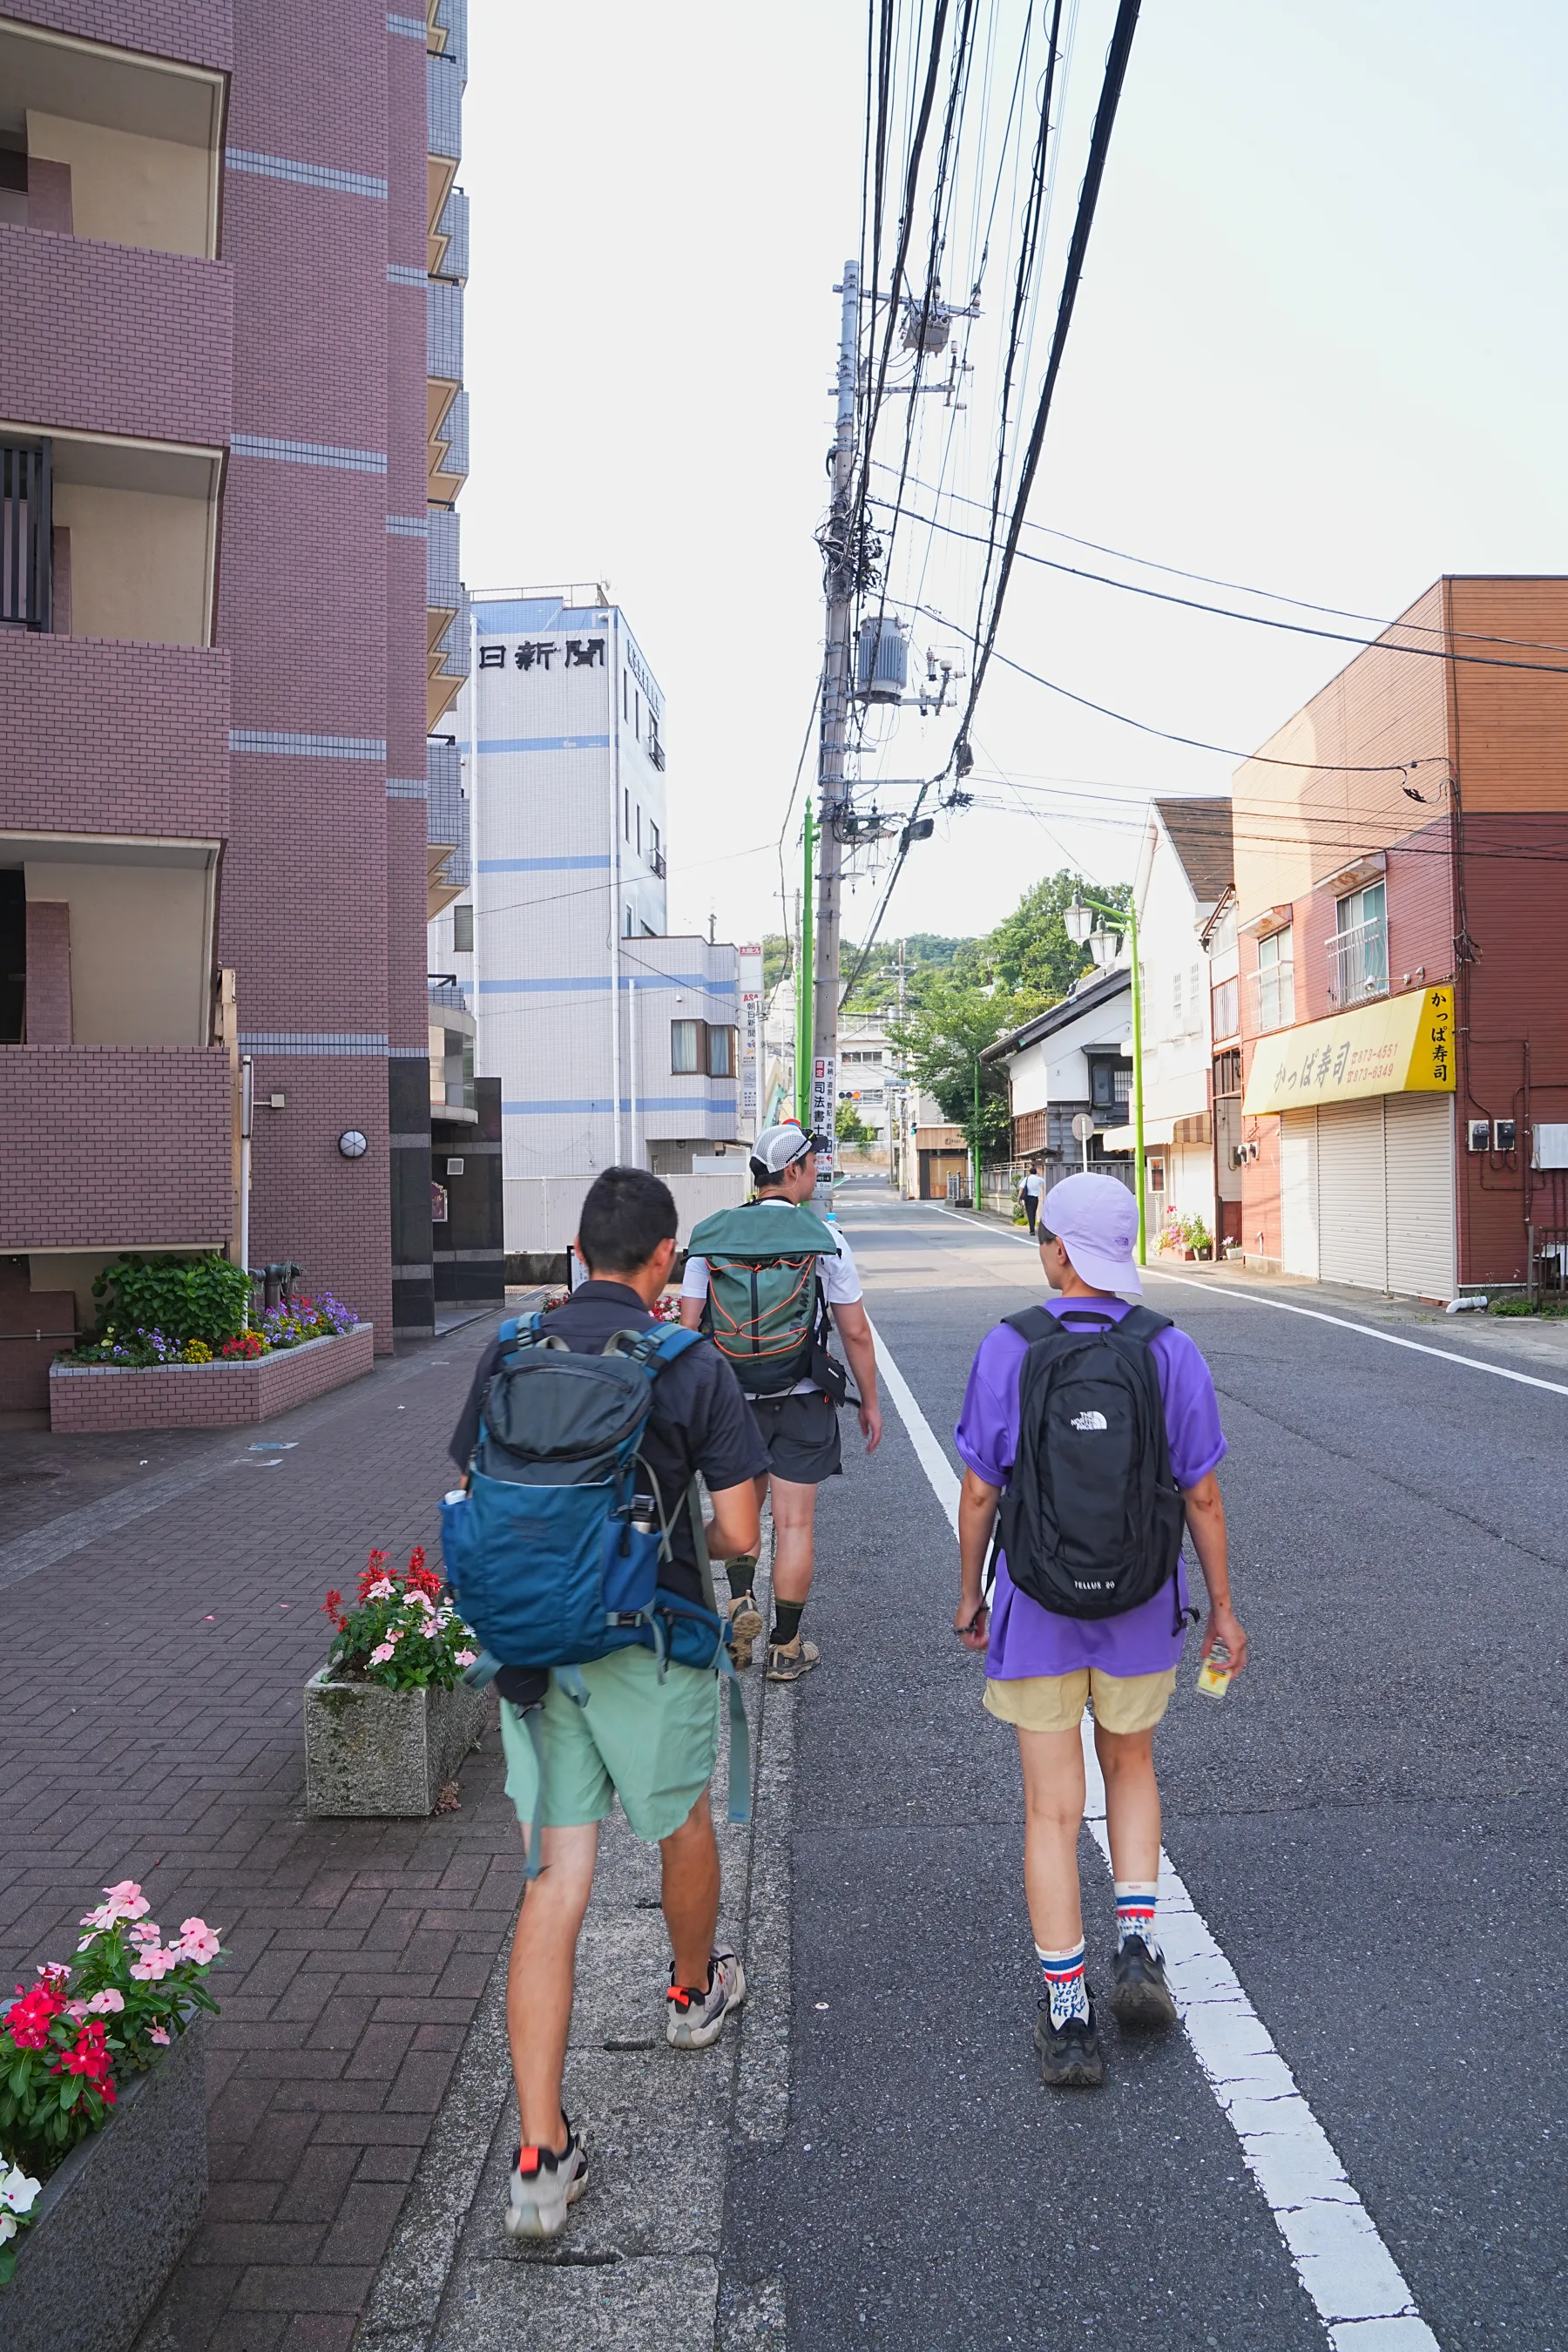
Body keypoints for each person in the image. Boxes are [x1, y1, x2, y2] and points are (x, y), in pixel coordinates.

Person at [448, 1166, 768, 2238]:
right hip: (649, 1641)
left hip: (536, 1652)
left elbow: (477, 1490)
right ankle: (690, 1996)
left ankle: (540, 2160)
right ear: (664, 1260)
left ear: (577, 1253)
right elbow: (738, 1535)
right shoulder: (687, 1364)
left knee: (555, 1879)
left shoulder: (509, 1351)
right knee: (681, 1822)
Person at [951, 1171, 1247, 2090]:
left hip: (1037, 1604)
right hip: (1138, 1603)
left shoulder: (1011, 1346)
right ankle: (1137, 1948)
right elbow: (1200, 1490)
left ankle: (1069, 2012)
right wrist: (1225, 1608)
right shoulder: (1169, 1349)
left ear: (1059, 1252)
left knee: (1050, 1806)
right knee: (1131, 1765)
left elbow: (979, 1490)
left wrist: (972, 1595)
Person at [680, 1123, 882, 1682]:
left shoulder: (710, 1236)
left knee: (741, 1515)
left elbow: (690, 1327)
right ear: (791, 1171)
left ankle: (742, 1603)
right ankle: (785, 1647)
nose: (816, 1177)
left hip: (731, 1403)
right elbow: (856, 1332)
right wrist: (868, 1400)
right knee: (794, 1526)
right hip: (801, 1398)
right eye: (813, 1167)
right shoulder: (823, 1237)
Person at [1019, 1165, 1044, 1236]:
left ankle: (1032, 1230)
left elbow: (1021, 1189)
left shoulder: (1027, 1179)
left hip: (1028, 1198)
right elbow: (1043, 1180)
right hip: (1035, 1199)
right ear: (1036, 1172)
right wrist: (1038, 1174)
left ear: (1030, 1172)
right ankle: (1032, 1228)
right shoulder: (1038, 1179)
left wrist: (1019, 1198)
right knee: (1033, 1213)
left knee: (1030, 1214)